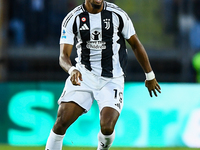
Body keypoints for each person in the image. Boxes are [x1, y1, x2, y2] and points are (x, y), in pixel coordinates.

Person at [45, 0, 161, 150]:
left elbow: (135, 44)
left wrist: (150, 75)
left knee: (107, 126)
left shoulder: (118, 14)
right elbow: (63, 56)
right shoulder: (73, 18)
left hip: (112, 78)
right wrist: (72, 70)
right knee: (62, 120)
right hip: (83, 76)